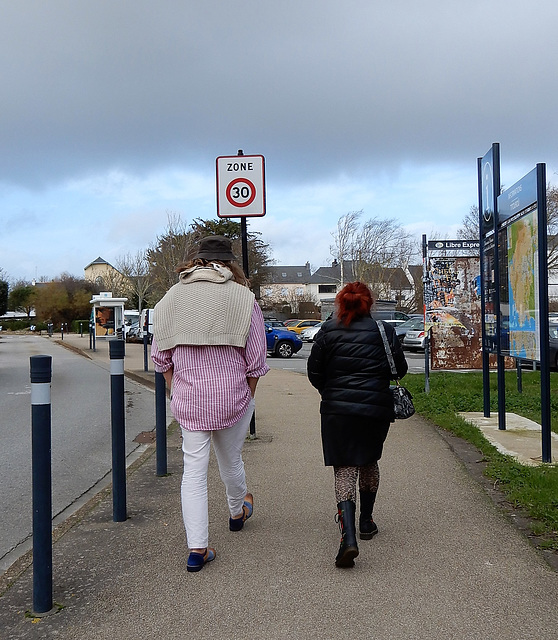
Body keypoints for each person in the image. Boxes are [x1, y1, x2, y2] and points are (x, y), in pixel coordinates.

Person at [151, 235, 269, 573]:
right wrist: (246, 394)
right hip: (233, 396)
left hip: (189, 401)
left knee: (193, 472)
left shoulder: (171, 299)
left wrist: (177, 391)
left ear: (194, 261)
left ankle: (197, 549)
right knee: (230, 459)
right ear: (230, 263)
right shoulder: (244, 299)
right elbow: (256, 360)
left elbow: (161, 359)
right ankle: (237, 512)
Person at [307, 282, 408, 568]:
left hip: (337, 410)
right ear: (370, 303)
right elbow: (399, 370)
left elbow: (314, 371)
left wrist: (331, 392)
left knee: (344, 468)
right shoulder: (384, 331)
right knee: (369, 461)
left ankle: (347, 537)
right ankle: (367, 522)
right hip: (375, 408)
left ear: (341, 302)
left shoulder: (328, 330)